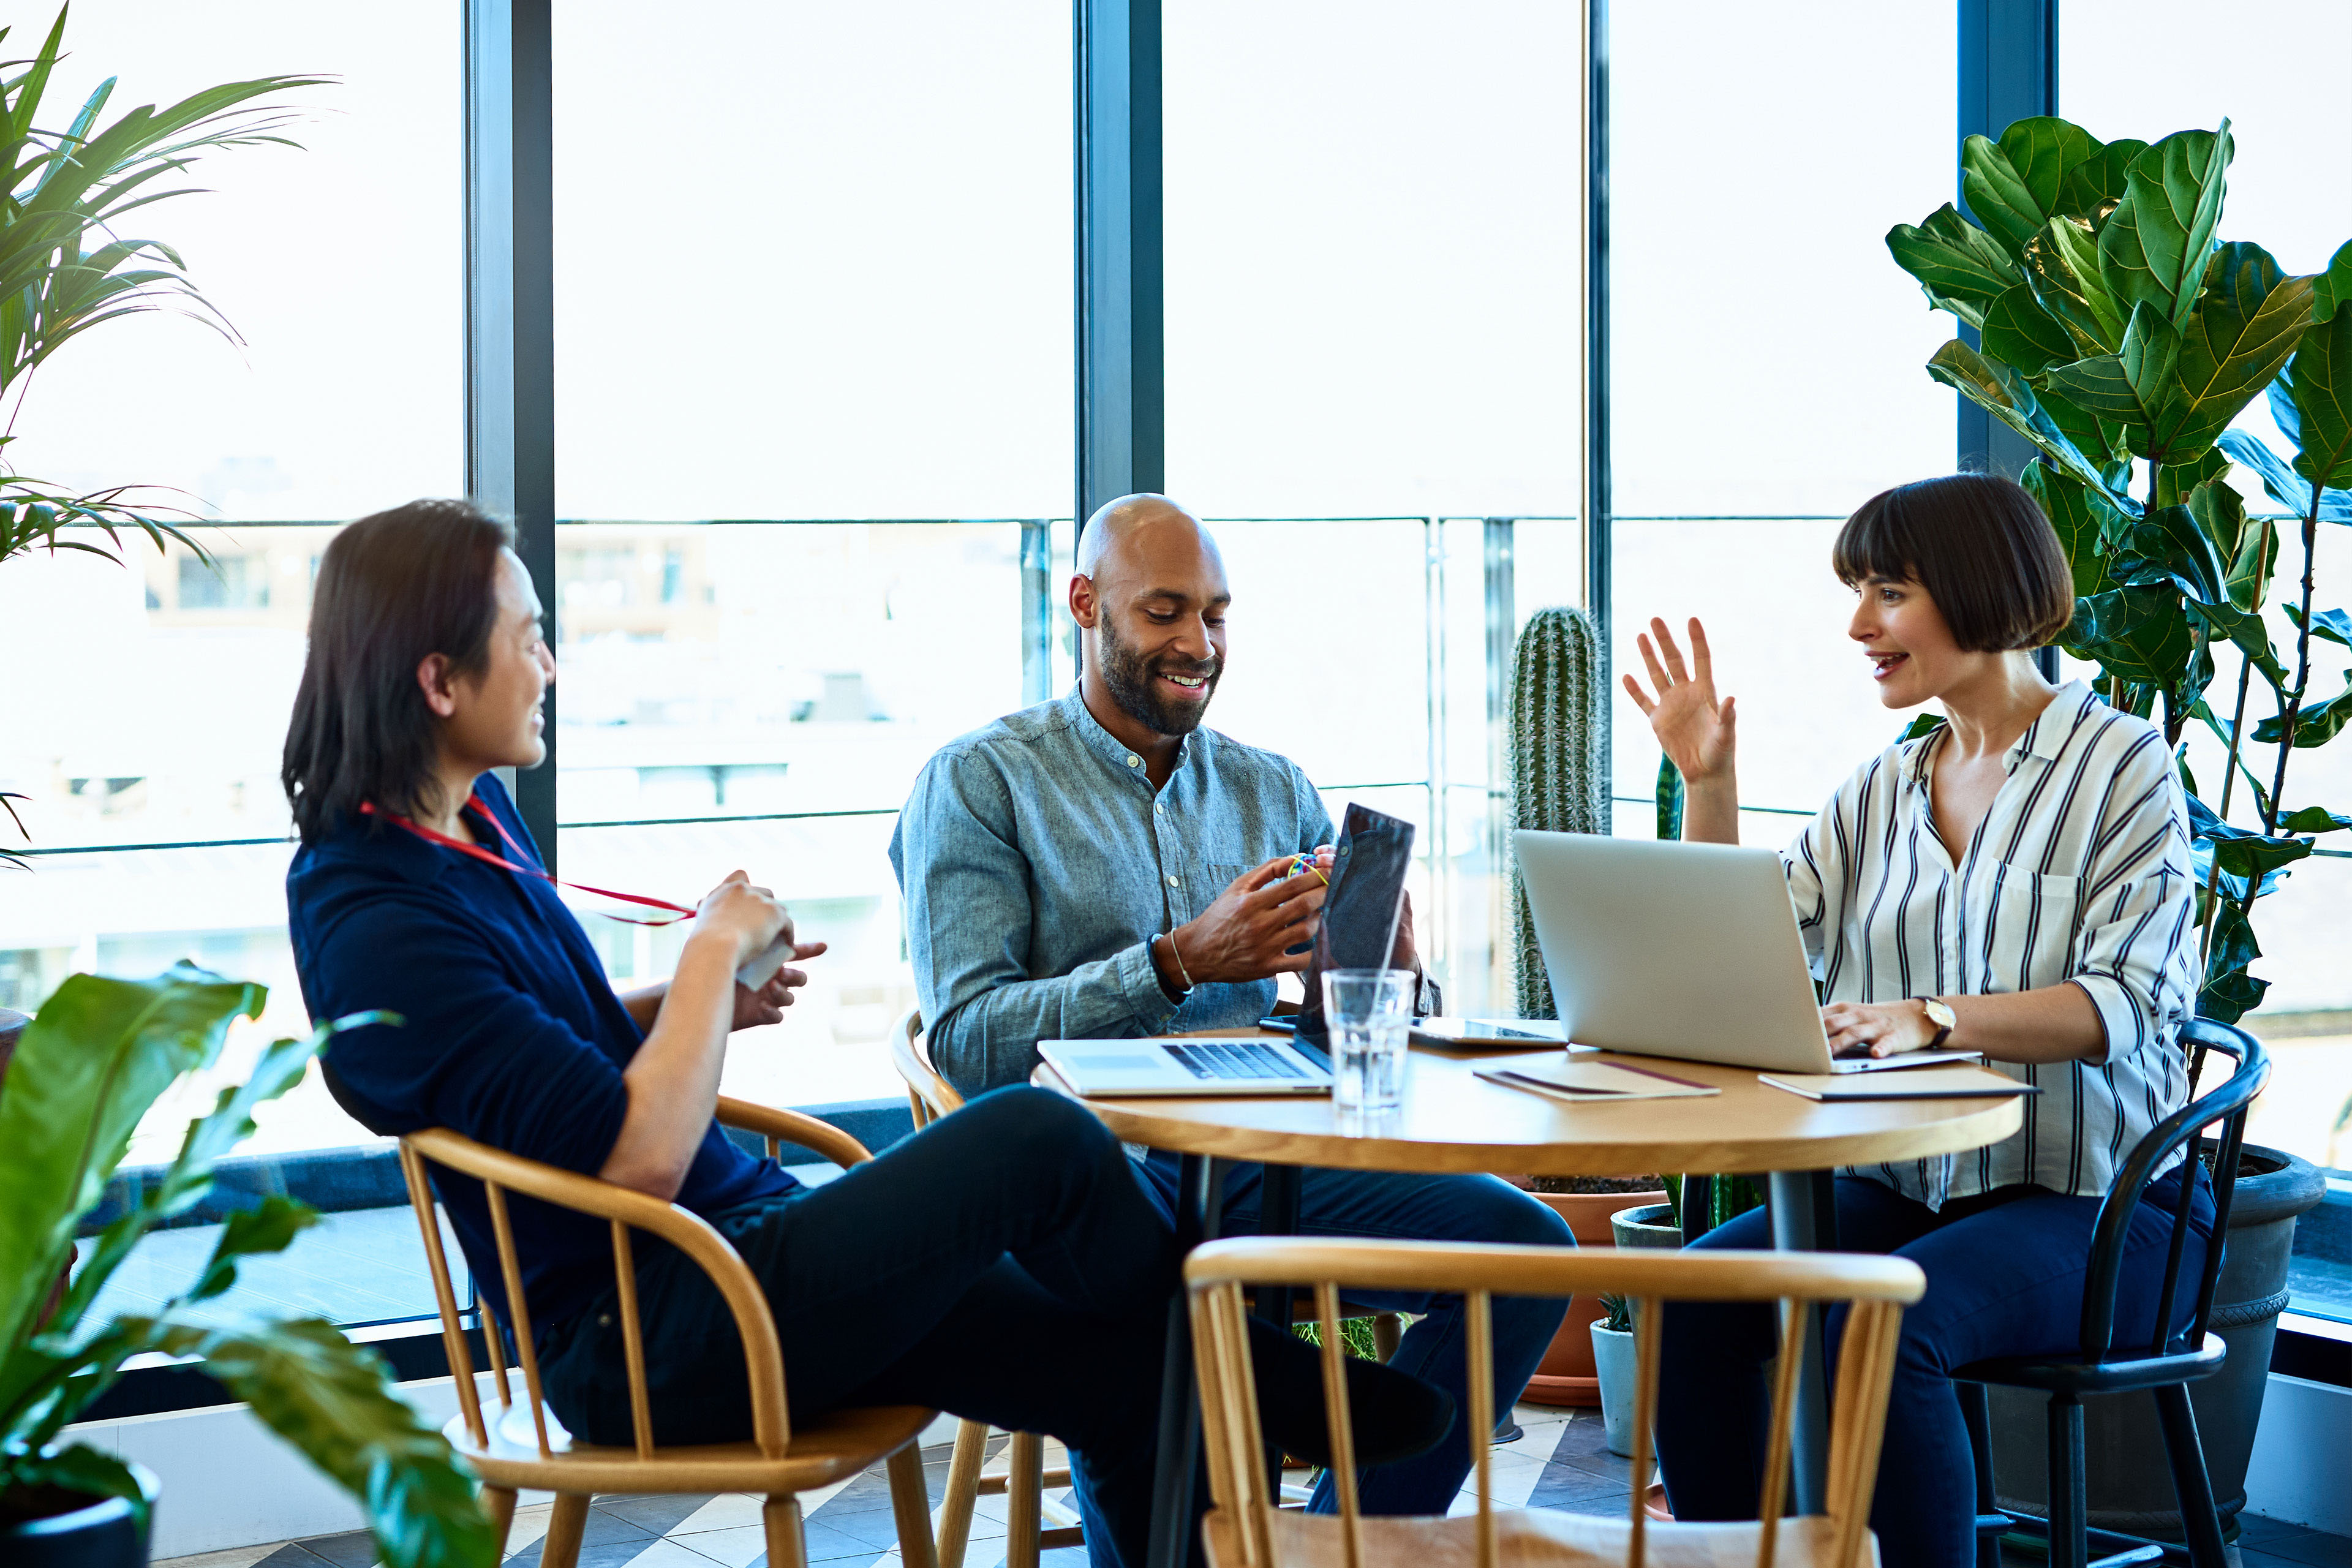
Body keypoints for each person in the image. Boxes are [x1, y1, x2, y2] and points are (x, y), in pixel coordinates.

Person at [281, 499, 1452, 1568]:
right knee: (1032, 1138)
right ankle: (1269, 1378)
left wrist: (697, 1009)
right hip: (652, 1334)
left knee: (1127, 1376)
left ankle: (1248, 1377)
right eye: (529, 635)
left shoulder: (470, 826)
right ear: (440, 680)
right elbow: (630, 1158)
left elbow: (544, 1053)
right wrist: (700, 955)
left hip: (740, 1242)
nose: (551, 663)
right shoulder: (374, 916)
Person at [890, 492, 1573, 1518]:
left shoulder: (1272, 787)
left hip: (1272, 1167)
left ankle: (1351, 1537)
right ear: (1085, 604)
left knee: (1526, 1252)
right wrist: (1174, 963)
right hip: (1091, 1185)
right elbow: (972, 1044)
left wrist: (1392, 976)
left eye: (1215, 614)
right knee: (1152, 1315)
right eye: (1165, 612)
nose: (1198, 643)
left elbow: (1350, 1035)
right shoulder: (982, 782)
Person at [1622, 473, 2204, 1568]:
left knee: (1880, 1330)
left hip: (2102, 1206)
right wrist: (1709, 780)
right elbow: (1739, 957)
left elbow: (2127, 1003)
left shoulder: (2124, 767)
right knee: (1689, 1302)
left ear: (1981, 592)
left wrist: (1936, 1017)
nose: (1858, 626)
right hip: (1913, 1190)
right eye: (1859, 593)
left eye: (1887, 592)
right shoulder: (1882, 788)